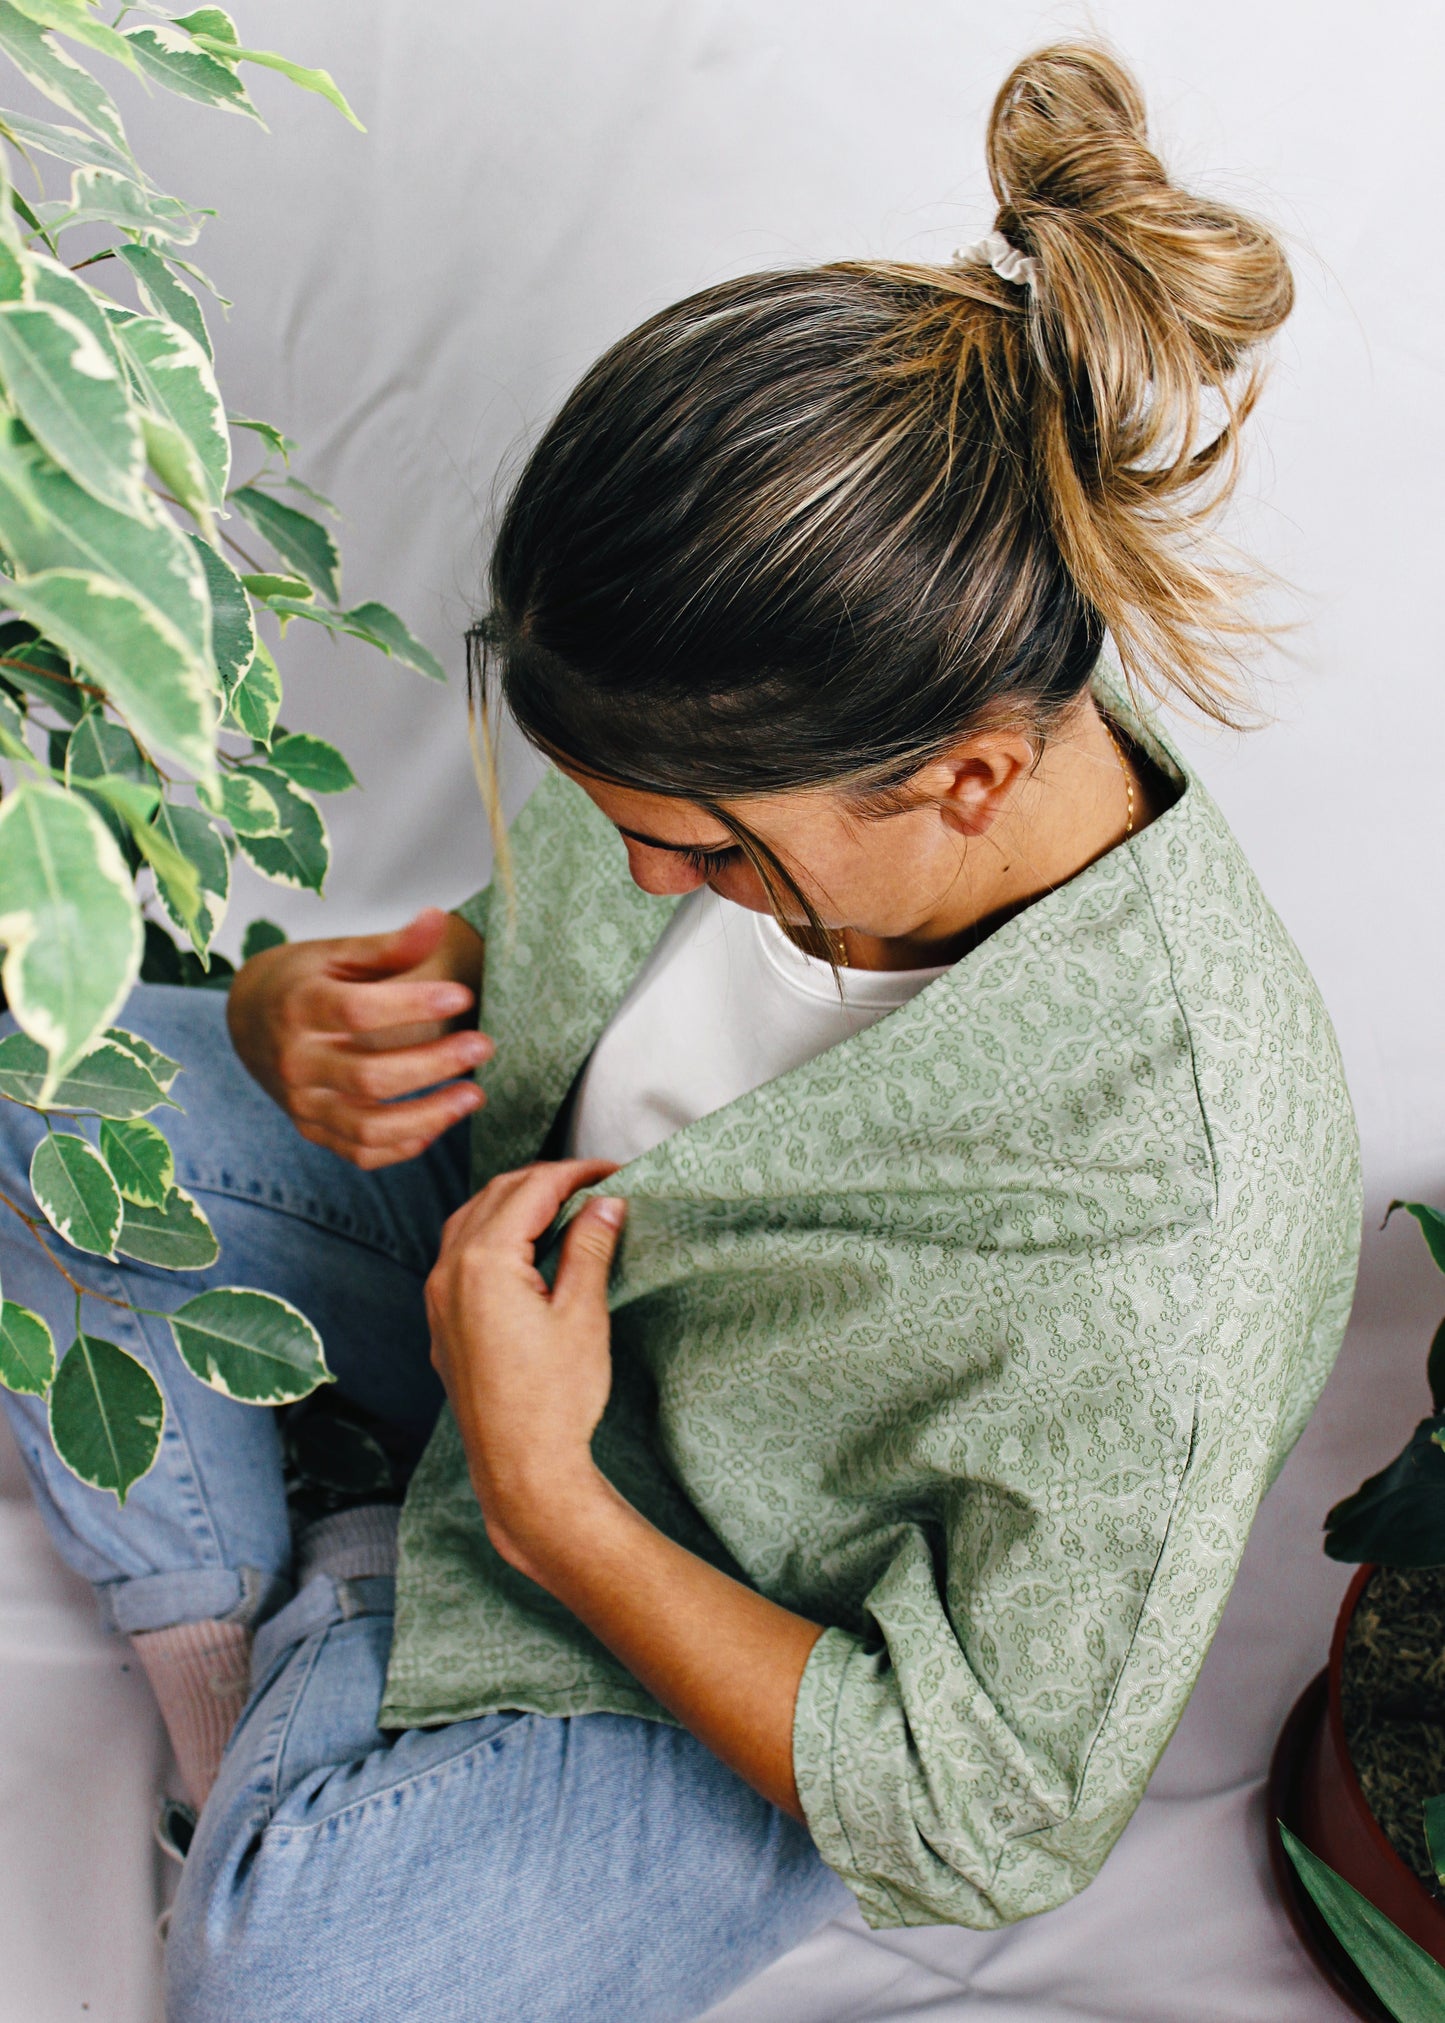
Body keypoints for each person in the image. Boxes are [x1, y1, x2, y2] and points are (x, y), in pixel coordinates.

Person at [0, 41, 1360, 2023]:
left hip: (720, 1617)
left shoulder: (1175, 1231)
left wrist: (552, 1510)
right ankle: (229, 1698)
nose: (640, 884)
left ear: (971, 780)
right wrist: (308, 997)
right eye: (616, 820)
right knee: (63, 1084)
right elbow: (529, 951)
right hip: (516, 1282)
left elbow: (991, 1821)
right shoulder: (745, 697)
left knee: (295, 1967)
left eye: (706, 853)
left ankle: (363, 1586)